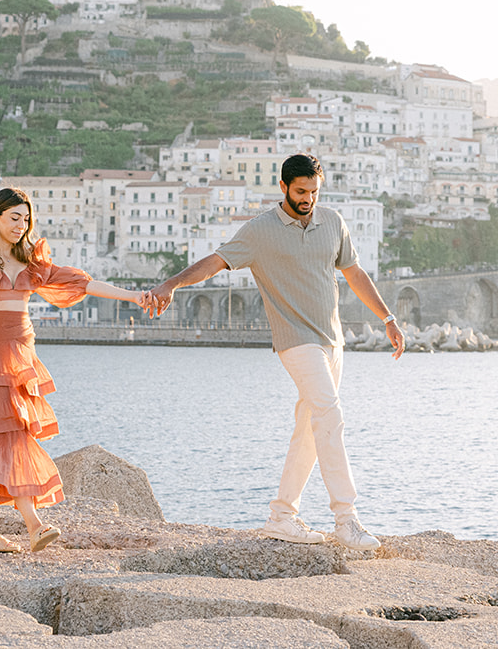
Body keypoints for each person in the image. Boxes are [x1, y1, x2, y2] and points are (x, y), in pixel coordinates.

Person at [144, 154, 404, 549]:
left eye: (314, 191)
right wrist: (170, 285)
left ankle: (282, 516)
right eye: (301, 191)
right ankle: (346, 519)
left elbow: (353, 272)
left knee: (310, 428)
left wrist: (387, 318)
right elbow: (214, 263)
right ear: (283, 187)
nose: (308, 199)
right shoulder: (260, 231)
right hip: (295, 340)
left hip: (332, 341)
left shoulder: (332, 221)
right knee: (330, 414)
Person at [0, 186, 144, 554]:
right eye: (14, 218)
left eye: (26, 219)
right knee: (12, 435)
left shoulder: (32, 264)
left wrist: (134, 296)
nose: (21, 225)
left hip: (21, 359)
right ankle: (34, 524)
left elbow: (84, 283)